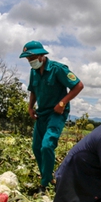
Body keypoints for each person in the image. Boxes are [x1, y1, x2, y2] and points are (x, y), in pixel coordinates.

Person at [19, 41, 84, 189]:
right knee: (36, 147)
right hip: (41, 113)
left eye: (32, 57)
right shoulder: (33, 72)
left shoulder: (57, 69)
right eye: (28, 59)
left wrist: (62, 103)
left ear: (41, 55)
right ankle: (47, 176)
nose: (30, 61)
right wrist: (30, 107)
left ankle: (45, 183)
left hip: (56, 113)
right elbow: (33, 91)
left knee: (47, 146)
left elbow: (78, 85)